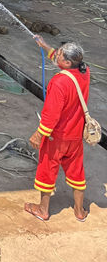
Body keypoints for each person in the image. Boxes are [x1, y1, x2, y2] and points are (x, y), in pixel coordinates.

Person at [24, 36, 90, 222]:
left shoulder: (59, 82)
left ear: (67, 62)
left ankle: (42, 209)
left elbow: (51, 115)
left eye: (60, 55)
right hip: (76, 135)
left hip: (57, 137)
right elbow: (60, 58)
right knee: (77, 171)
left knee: (47, 169)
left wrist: (39, 134)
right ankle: (80, 211)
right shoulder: (84, 72)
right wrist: (45, 46)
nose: (56, 56)